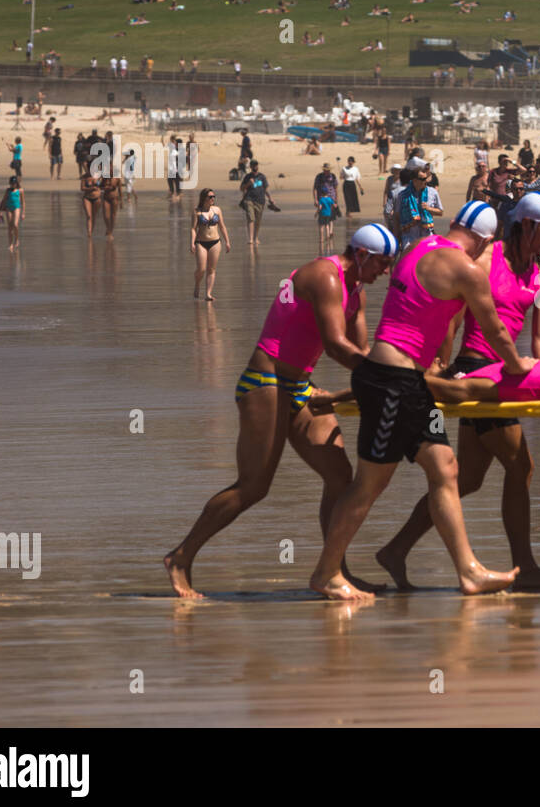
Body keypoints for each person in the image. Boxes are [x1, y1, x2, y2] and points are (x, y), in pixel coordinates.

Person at [308, 204, 534, 600]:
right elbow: (496, 329)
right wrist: (518, 368)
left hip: (410, 383)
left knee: (445, 467)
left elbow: (434, 315)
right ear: (485, 240)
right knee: (368, 485)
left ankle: (469, 571)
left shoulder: (418, 247)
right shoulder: (467, 269)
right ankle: (326, 573)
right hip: (390, 382)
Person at [164, 225, 399, 598]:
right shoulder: (325, 277)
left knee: (340, 476)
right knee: (254, 487)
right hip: (265, 381)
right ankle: (180, 556)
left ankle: (333, 572)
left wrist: (406, 365)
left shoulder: (357, 291)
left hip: (301, 385)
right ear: (363, 255)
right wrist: (388, 376)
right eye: (383, 263)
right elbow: (338, 348)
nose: (385, 272)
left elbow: (362, 350)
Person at [377, 193, 540, 591]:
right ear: (527, 225)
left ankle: (396, 549)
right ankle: (525, 567)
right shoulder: (484, 258)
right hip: (475, 370)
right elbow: (451, 315)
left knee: (468, 481)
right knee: (520, 467)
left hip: (508, 374)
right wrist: (438, 366)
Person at [191, 188, 231, 300]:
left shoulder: (217, 210)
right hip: (201, 243)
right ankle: (197, 284)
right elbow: (193, 229)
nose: (213, 198)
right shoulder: (197, 211)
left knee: (211, 269)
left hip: (215, 242)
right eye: (210, 197)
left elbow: (222, 226)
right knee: (201, 269)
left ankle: (208, 293)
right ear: (204, 198)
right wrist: (192, 243)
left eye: (214, 196)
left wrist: (227, 241)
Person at [238, 159, 274, 245]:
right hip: (249, 199)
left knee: (257, 220)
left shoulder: (262, 177)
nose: (255, 167)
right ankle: (250, 239)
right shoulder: (247, 177)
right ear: (250, 167)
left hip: (260, 201)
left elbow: (266, 189)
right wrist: (248, 184)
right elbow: (241, 188)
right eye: (253, 165)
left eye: (256, 165)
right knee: (251, 218)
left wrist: (270, 198)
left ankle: (256, 238)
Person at [0, 176, 24, 251]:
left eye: (15, 183)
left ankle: (17, 239)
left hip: (17, 208)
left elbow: (23, 202)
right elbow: (3, 200)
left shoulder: (20, 190)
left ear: (17, 183)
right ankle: (10, 244)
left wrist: (23, 213)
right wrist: (0, 212)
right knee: (10, 227)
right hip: (8, 208)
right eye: (12, 184)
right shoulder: (8, 191)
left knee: (15, 225)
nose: (13, 185)